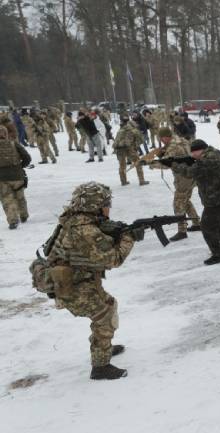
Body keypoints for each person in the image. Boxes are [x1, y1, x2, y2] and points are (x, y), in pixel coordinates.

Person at [43, 182, 143, 380]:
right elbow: (113, 259)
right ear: (94, 205)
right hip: (72, 286)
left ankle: (102, 348)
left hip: (76, 279)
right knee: (105, 315)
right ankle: (100, 367)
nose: (109, 207)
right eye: (106, 203)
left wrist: (115, 230)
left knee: (107, 308)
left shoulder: (77, 219)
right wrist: (129, 237)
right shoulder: (85, 230)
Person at [171, 140, 220, 265]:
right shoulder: (216, 153)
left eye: (193, 152)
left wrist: (174, 165)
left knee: (207, 226)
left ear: (200, 150)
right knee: (219, 222)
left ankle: (218, 254)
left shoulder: (207, 160)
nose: (192, 155)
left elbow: (190, 173)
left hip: (215, 199)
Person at [154, 127, 201, 241]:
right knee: (185, 201)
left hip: (184, 178)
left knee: (178, 203)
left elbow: (166, 164)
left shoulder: (173, 146)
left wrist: (150, 164)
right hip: (191, 175)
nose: (161, 141)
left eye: (161, 139)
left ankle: (182, 231)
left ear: (166, 137)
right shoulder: (181, 140)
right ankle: (196, 223)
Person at [0, 125, 31, 229]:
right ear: (6, 133)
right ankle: (23, 215)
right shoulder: (14, 143)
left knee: (7, 199)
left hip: (2, 179)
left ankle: (13, 221)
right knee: (20, 196)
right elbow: (27, 157)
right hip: (17, 176)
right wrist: (20, 166)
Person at [113, 115, 149, 187]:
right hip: (129, 148)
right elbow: (141, 140)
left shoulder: (121, 129)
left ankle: (123, 181)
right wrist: (135, 146)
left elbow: (116, 140)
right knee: (137, 163)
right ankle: (141, 181)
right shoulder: (134, 130)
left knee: (122, 165)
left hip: (119, 149)